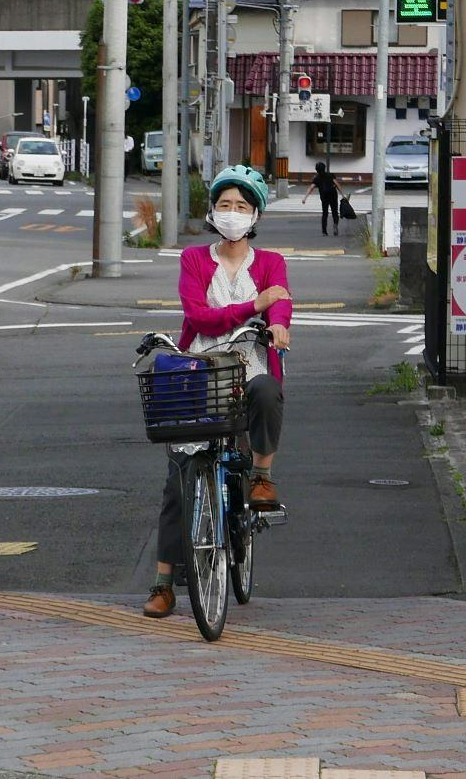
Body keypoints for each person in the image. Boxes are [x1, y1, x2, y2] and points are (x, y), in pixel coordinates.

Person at [144, 166, 294, 619]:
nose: (232, 213)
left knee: (266, 389)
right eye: (224, 205)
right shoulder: (193, 259)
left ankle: (261, 476)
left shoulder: (270, 261)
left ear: (256, 215)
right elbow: (199, 316)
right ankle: (165, 583)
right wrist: (255, 305)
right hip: (198, 371)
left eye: (242, 207)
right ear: (212, 211)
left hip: (247, 367)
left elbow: (281, 298)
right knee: (179, 481)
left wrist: (280, 322)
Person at [303, 161, 340, 236]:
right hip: (333, 195)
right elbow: (337, 184)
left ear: (316, 170)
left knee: (325, 213)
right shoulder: (330, 175)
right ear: (324, 168)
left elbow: (311, 188)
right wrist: (343, 195)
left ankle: (324, 231)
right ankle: (335, 224)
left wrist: (305, 198)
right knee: (335, 212)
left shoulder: (317, 178)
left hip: (324, 196)